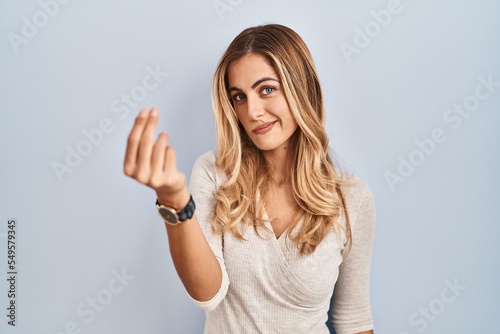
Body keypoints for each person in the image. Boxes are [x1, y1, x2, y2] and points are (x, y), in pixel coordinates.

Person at [124, 24, 375, 334]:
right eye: (239, 97)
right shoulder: (215, 175)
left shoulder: (352, 197)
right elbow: (207, 293)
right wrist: (175, 202)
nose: (252, 111)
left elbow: (355, 320)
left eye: (266, 89)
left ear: (301, 87)